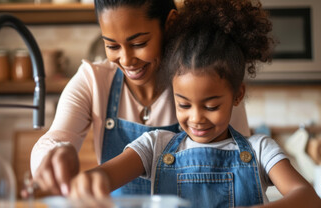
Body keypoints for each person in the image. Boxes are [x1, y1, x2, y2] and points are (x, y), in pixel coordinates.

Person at [68, 0, 321, 208]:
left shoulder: (260, 149)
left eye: (211, 105)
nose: (196, 118)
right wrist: (93, 180)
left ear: (237, 95)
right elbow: (106, 175)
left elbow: (309, 200)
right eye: (183, 104)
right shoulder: (154, 146)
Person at [29, 0, 250, 197]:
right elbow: (54, 139)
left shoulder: (206, 85)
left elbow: (239, 168)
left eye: (138, 44)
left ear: (170, 23)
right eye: (112, 46)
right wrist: (57, 152)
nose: (126, 60)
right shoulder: (93, 81)